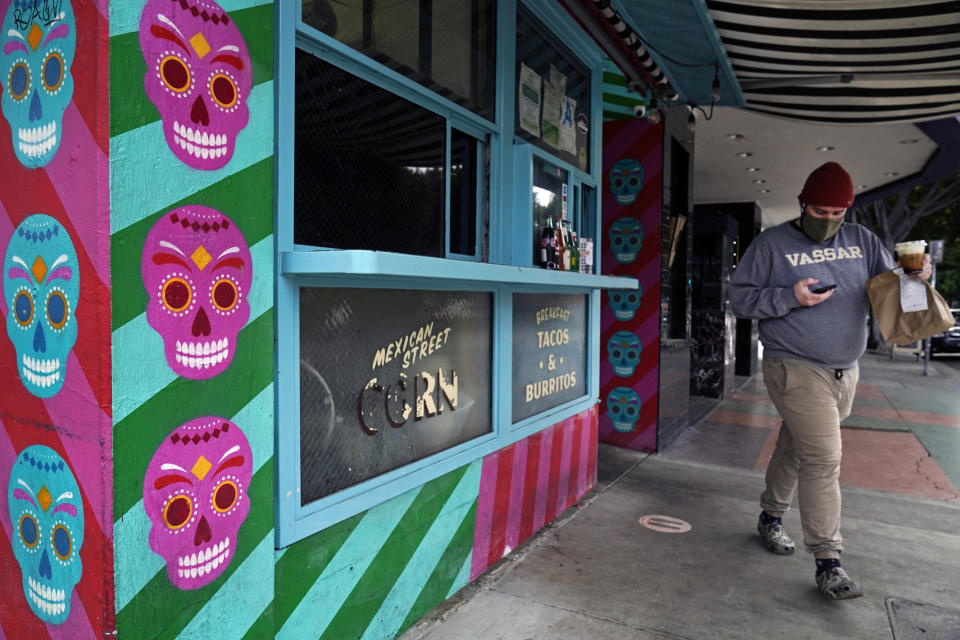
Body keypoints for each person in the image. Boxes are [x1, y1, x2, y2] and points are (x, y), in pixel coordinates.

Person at [728, 161, 931, 600]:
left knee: (798, 447)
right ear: (803, 205)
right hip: (793, 365)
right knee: (824, 458)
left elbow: (890, 292)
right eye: (818, 211)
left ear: (848, 210)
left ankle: (770, 516)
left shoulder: (863, 240)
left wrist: (915, 279)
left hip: (846, 370)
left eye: (836, 213)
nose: (827, 220)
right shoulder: (772, 243)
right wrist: (789, 297)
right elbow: (740, 298)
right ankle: (829, 562)